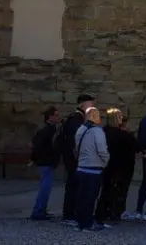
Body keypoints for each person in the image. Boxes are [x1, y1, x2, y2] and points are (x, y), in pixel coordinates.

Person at [95, 108, 138, 226]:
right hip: (122, 166)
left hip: (107, 165)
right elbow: (136, 147)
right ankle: (114, 212)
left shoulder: (102, 132)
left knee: (106, 190)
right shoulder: (123, 135)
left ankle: (102, 212)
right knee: (118, 191)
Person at [59, 93, 95, 226]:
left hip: (74, 158)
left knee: (74, 186)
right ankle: (69, 214)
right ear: (83, 104)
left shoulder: (77, 118)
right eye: (91, 104)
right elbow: (76, 141)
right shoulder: (77, 119)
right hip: (74, 158)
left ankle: (70, 213)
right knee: (73, 186)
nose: (93, 107)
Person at [73, 107, 110, 232]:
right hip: (93, 169)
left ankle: (80, 223)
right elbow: (102, 150)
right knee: (90, 198)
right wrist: (105, 162)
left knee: (81, 197)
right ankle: (88, 224)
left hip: (81, 167)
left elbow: (77, 147)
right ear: (95, 116)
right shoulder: (97, 131)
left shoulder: (80, 130)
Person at [29, 106, 61, 221]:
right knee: (45, 188)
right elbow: (38, 146)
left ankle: (41, 209)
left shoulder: (50, 130)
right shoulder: (46, 131)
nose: (58, 117)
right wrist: (34, 158)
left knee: (45, 188)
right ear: (50, 117)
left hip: (47, 162)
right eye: (56, 115)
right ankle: (38, 211)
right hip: (45, 162)